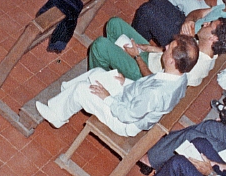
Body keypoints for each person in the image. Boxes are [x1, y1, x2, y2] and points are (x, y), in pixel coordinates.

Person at [35, 34, 198, 135]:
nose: (167, 46)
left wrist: (106, 98)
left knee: (82, 91)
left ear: (171, 60)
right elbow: (145, 88)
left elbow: (127, 115)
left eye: (170, 48)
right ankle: (65, 97)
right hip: (129, 100)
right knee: (97, 73)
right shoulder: (179, 77)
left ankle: (57, 116)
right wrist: (125, 82)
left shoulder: (157, 93)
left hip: (124, 121)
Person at [88, 16, 226, 87]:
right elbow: (170, 53)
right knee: (115, 24)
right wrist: (150, 48)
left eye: (209, 25)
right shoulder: (206, 49)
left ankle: (93, 80)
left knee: (100, 46)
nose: (205, 23)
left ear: (214, 38)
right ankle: (111, 68)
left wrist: (137, 57)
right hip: (152, 57)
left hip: (143, 74)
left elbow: (155, 83)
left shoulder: (196, 66)